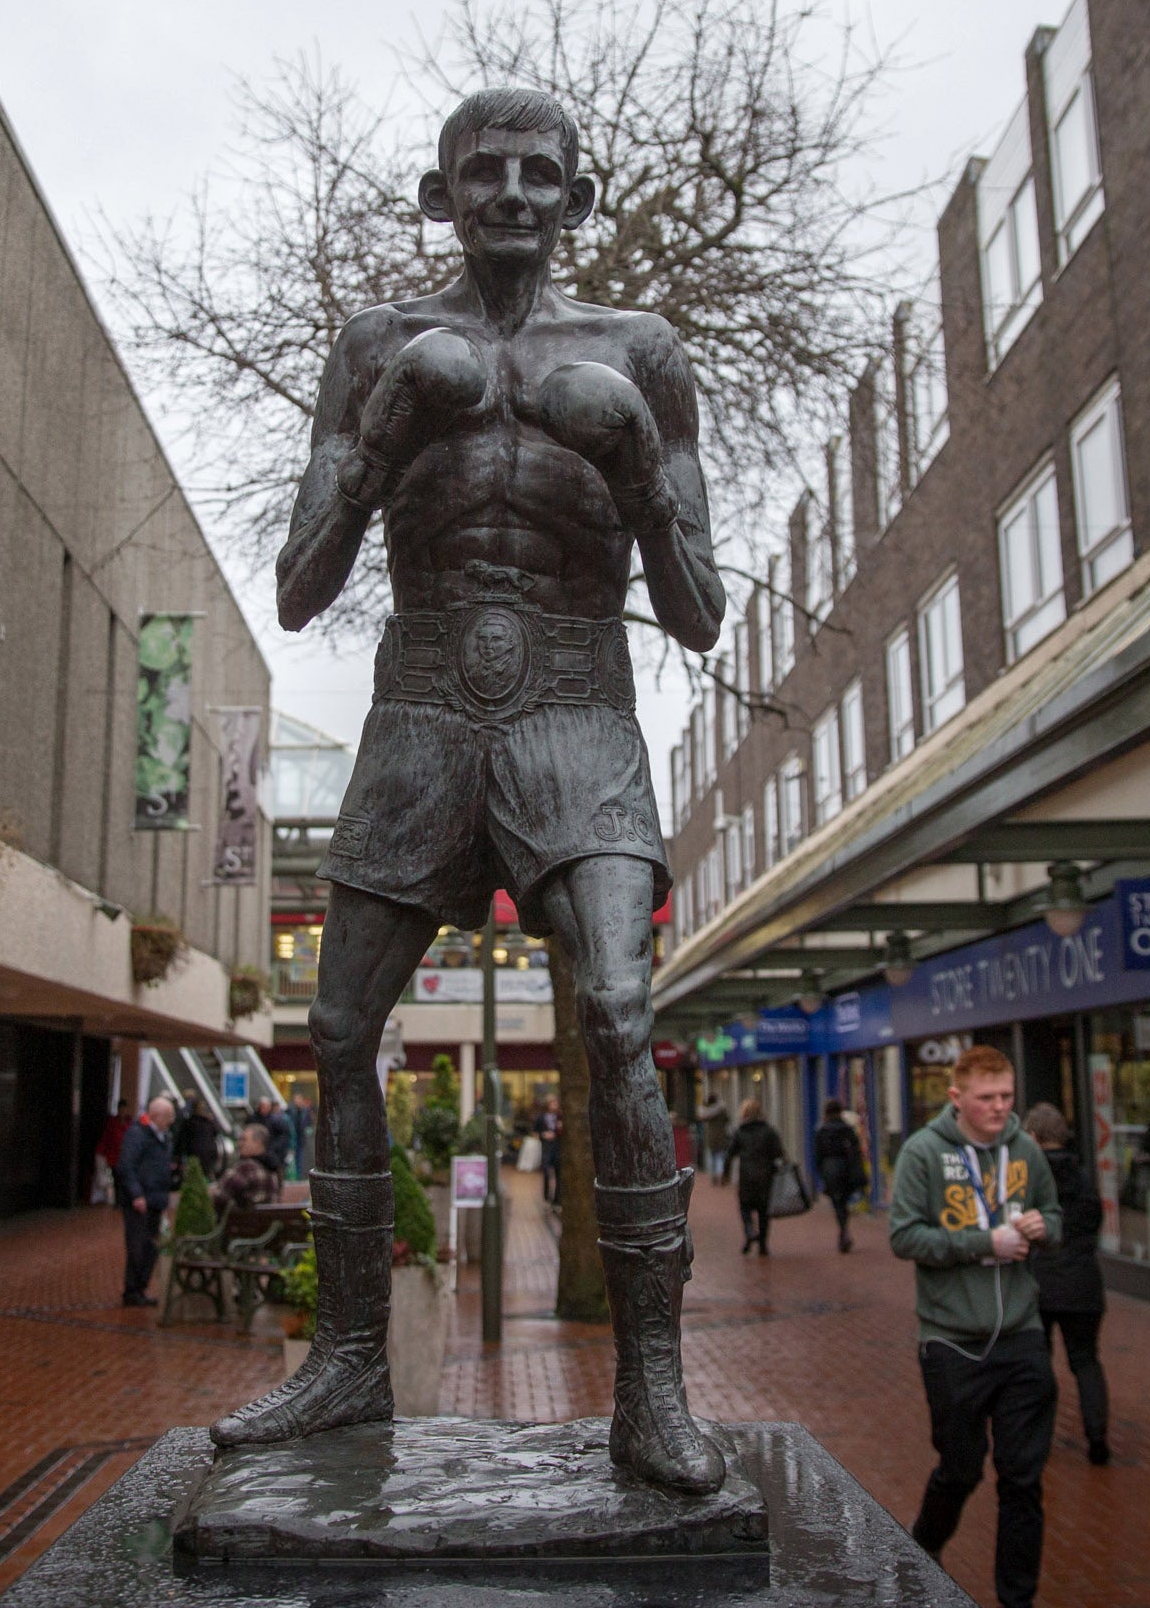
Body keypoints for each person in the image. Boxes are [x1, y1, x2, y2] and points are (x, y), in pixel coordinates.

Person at [211, 88, 730, 1497]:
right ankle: (348, 1359)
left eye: (538, 172)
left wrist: (631, 460)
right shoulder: (379, 343)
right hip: (425, 692)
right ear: (440, 196)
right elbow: (302, 582)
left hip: (575, 696)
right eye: (481, 171)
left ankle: (653, 1395)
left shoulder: (642, 354)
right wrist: (383, 431)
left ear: (576, 194)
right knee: (333, 1019)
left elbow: (696, 615)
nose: (510, 190)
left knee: (619, 1009)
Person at [889, 1045, 1061, 1608]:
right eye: (986, 1098)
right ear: (957, 1097)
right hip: (950, 1341)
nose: (998, 1107)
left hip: (1022, 1334)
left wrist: (1041, 1226)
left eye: (1007, 1097)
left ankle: (1018, 1598)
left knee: (1022, 1477)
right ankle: (925, 1541)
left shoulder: (1026, 1152)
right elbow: (904, 1236)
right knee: (961, 1468)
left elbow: (1056, 1216)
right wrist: (981, 1243)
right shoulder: (923, 1153)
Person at [1022, 1103, 1109, 1467]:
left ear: (1035, 1137)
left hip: (1040, 1283)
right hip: (1083, 1283)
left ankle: (1036, 1438)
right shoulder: (1084, 1176)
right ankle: (1098, 1436)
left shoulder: (1027, 1180)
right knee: (1086, 1361)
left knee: (1037, 1365)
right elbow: (1092, 1224)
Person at [115, 1095, 178, 1307]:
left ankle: (140, 1288)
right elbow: (126, 1165)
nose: (172, 1120)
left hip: (156, 1199)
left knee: (150, 1245)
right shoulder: (137, 1134)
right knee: (137, 1245)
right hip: (141, 1200)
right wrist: (136, 1194)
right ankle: (132, 1289)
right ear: (156, 1116)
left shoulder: (164, 1137)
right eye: (168, 1116)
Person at [725, 1098, 786, 1256]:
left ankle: (750, 1231)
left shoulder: (740, 1132)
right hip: (766, 1176)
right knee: (763, 1211)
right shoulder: (769, 1131)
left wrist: (725, 1174)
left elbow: (730, 1154)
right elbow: (779, 1152)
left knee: (745, 1207)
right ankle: (763, 1245)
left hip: (746, 1176)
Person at [813, 1097, 867, 1253]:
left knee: (837, 1202)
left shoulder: (822, 1130)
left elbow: (817, 1155)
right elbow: (856, 1151)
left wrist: (821, 1172)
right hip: (846, 1168)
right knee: (843, 1200)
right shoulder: (847, 1129)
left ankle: (843, 1229)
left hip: (830, 1169)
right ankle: (844, 1230)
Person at [213, 1123, 284, 1213]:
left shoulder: (245, 1168)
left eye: (244, 1140)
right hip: (267, 1224)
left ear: (258, 1143)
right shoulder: (274, 1169)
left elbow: (220, 1197)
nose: (239, 1144)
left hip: (240, 1225)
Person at [176, 1091, 224, 1181]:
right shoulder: (208, 1122)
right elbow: (216, 1132)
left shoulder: (189, 1123)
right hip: (209, 1152)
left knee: (193, 1176)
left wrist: (177, 1154)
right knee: (206, 1175)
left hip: (193, 1153)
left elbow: (181, 1140)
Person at [94, 1098, 132, 1206]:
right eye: (121, 1109)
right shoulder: (112, 1123)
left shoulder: (129, 1123)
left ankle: (122, 1199)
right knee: (116, 1178)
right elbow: (107, 1138)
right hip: (114, 1156)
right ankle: (118, 1201)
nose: (122, 1111)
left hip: (125, 1156)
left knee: (123, 1178)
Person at [699, 1091, 732, 1186]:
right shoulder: (722, 1110)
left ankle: (714, 1176)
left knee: (713, 1158)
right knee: (720, 1158)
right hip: (722, 1137)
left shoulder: (706, 1112)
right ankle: (721, 1175)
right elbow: (728, 1120)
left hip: (711, 1137)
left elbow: (701, 1117)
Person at [536, 1098, 562, 1203]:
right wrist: (544, 1135)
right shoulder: (541, 1117)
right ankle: (546, 1196)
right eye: (552, 1103)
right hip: (546, 1147)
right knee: (546, 1171)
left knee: (558, 1172)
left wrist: (557, 1132)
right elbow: (535, 1131)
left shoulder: (560, 1117)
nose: (554, 1105)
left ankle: (556, 1198)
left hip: (557, 1147)